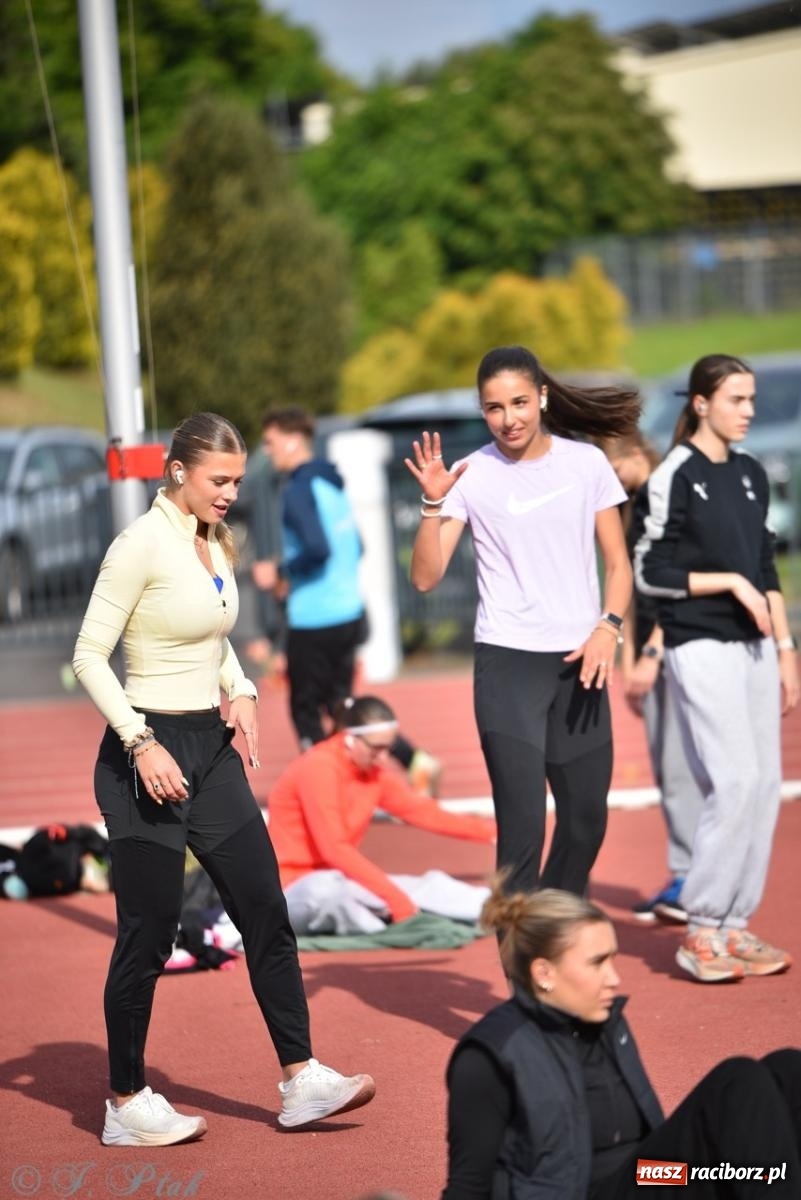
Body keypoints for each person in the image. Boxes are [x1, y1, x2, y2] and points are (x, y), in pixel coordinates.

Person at [72, 412, 375, 1147]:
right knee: (148, 935)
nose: (231, 493)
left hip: (208, 752)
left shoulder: (214, 541)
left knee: (265, 911)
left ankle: (301, 1079)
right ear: (177, 470)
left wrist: (238, 689)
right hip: (145, 755)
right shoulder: (138, 545)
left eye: (238, 481)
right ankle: (124, 1100)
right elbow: (87, 656)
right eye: (219, 480)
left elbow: (214, 637)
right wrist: (141, 744)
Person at [405, 345, 637, 899]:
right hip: (508, 665)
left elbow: (619, 565)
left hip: (582, 663)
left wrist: (608, 627)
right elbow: (425, 578)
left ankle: (551, 941)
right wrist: (432, 506)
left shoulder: (586, 464)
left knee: (585, 825)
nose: (508, 419)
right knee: (522, 834)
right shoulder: (473, 474)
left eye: (518, 403)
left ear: (542, 398)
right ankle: (527, 982)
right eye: (493, 408)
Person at [442, 877, 801, 1199]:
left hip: (650, 1178)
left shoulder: (605, 1022)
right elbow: (468, 1185)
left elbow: (647, 1156)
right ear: (544, 972)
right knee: (737, 1081)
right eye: (597, 963)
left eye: (612, 961)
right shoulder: (490, 1054)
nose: (613, 978)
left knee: (787, 1070)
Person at [635, 354, 800, 982]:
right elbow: (652, 571)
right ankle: (700, 928)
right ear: (701, 403)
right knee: (731, 784)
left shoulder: (754, 473)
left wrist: (786, 651)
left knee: (762, 787)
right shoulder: (675, 472)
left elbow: (766, 566)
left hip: (757, 650)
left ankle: (734, 926)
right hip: (697, 645)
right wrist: (727, 582)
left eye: (752, 399)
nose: (749, 411)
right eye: (738, 399)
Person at [254, 407, 441, 795]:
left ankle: (324, 786)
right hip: (348, 611)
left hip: (315, 618)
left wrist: (282, 573)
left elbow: (318, 549)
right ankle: (413, 760)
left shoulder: (297, 491)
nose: (268, 452)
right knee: (342, 704)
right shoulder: (332, 482)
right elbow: (355, 545)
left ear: (292, 440)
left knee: (304, 708)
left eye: (270, 443)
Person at [269, 695, 497, 934]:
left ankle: (498, 906)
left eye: (389, 748)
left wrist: (492, 833)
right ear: (349, 739)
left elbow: (425, 812)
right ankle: (385, 922)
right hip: (294, 887)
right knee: (331, 891)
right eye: (376, 748)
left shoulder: (374, 774)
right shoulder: (318, 767)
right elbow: (333, 848)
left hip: (341, 880)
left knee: (428, 886)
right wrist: (394, 899)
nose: (384, 758)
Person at [601, 433, 703, 924]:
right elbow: (629, 587)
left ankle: (693, 878)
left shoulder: (666, 492)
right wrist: (626, 664)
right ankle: (687, 874)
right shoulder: (626, 510)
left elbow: (677, 583)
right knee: (669, 768)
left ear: (638, 451)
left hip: (679, 647)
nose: (614, 476)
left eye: (617, 464)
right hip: (648, 652)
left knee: (683, 768)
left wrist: (653, 654)